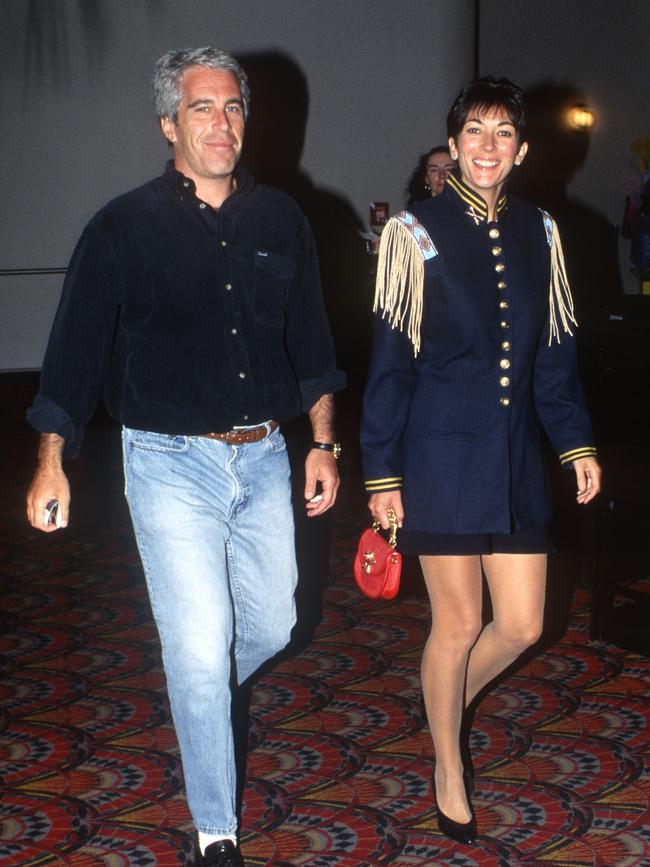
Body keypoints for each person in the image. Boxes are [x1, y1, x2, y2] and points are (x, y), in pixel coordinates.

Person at [26, 47, 345, 867]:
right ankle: (216, 833)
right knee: (203, 647)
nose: (222, 123)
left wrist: (323, 441)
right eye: (203, 108)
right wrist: (51, 455)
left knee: (273, 622)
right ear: (169, 123)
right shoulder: (122, 227)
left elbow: (311, 343)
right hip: (168, 462)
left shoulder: (281, 220)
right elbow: (74, 351)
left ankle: (195, 689)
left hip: (267, 452)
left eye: (234, 106)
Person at [360, 77, 601, 845]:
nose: (487, 145)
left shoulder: (541, 231)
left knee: (525, 623)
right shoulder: (414, 232)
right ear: (454, 143)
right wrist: (382, 471)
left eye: (503, 134)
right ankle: (447, 762)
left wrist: (576, 441)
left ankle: (441, 699)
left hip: (514, 457)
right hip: (437, 457)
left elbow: (554, 356)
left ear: (521, 149)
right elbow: (391, 364)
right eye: (474, 131)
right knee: (459, 623)